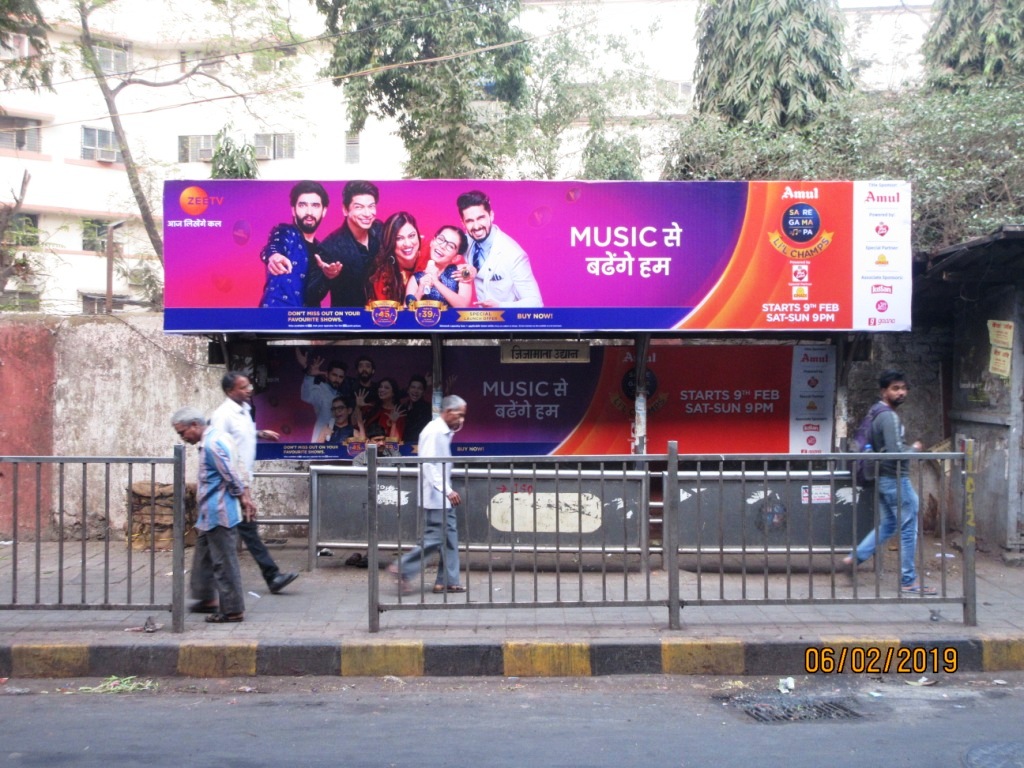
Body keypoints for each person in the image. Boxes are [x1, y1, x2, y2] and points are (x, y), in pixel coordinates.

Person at [842, 370, 935, 596]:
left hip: (884, 478)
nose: (901, 392)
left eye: (903, 388)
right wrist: (914, 449)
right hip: (895, 478)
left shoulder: (876, 412)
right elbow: (895, 451)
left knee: (889, 525)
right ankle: (908, 581)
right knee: (908, 529)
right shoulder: (888, 416)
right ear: (884, 391)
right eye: (895, 388)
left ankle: (855, 557)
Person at [209, 372, 299, 596]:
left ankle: (270, 576)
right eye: (242, 387)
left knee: (240, 532)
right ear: (230, 391)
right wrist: (242, 492)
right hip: (228, 484)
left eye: (248, 385)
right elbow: (221, 452)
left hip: (240, 481)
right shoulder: (222, 415)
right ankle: (270, 576)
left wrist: (259, 433)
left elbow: (240, 438)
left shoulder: (245, 410)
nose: (249, 389)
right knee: (235, 533)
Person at [171, 406, 250, 623]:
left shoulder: (212, 445)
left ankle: (232, 610)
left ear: (195, 425)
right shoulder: (218, 437)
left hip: (219, 512)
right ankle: (205, 598)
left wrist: (242, 497)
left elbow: (231, 474)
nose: (183, 437)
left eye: (182, 432)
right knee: (204, 557)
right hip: (209, 513)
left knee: (223, 562)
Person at [388, 395, 468, 594]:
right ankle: (403, 567)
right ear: (448, 412)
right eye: (459, 415)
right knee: (434, 538)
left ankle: (447, 580)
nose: (461, 420)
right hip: (437, 496)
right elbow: (428, 465)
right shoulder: (434, 432)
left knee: (449, 538)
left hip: (442, 496)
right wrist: (447, 490)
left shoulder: (443, 431)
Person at [456, 190, 543, 308]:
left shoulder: (514, 254)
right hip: (479, 320)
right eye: (470, 221)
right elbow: (442, 249)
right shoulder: (464, 241)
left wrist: (500, 306)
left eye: (480, 218)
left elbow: (536, 303)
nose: (476, 226)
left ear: (491, 216)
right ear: (463, 223)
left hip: (508, 322)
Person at [306, 180, 382, 307]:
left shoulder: (381, 230)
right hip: (350, 321)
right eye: (359, 207)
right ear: (345, 210)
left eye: (371, 206)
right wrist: (326, 276)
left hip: (382, 316)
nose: (367, 213)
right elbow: (311, 295)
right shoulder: (330, 247)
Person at [258, 181, 330, 308]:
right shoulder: (285, 232)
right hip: (275, 321)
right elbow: (274, 246)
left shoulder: (322, 251)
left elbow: (314, 296)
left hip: (307, 324)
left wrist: (327, 276)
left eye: (315, 206)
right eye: (303, 205)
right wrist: (273, 256)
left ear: (324, 211)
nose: (309, 212)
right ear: (293, 210)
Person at [405, 225, 473, 308]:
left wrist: (436, 282)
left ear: (456, 258)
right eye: (441, 239)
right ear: (432, 242)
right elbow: (406, 313)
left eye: (451, 246)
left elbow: (463, 306)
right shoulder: (417, 278)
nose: (442, 246)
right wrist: (420, 291)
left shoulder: (460, 273)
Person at [367, 211, 423, 303]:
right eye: (399, 238)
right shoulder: (383, 278)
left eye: (412, 236)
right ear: (390, 242)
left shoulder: (431, 254)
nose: (407, 244)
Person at [297, 349, 351, 442]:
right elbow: (306, 396)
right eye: (334, 375)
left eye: (340, 377)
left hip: (341, 441)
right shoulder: (321, 390)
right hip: (321, 441)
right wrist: (309, 376)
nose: (337, 379)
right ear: (327, 374)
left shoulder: (343, 395)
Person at [361, 376, 406, 442]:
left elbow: (395, 442)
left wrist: (393, 423)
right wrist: (358, 406)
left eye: (386, 388)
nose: (382, 390)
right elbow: (355, 424)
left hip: (386, 449)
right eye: (380, 387)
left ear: (393, 392)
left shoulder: (398, 412)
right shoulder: (372, 407)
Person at [401, 374, 432, 447]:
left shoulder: (427, 409)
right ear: (408, 390)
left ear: (424, 392)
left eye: (419, 388)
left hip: (420, 447)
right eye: (413, 387)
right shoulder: (402, 407)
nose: (415, 391)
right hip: (402, 446)